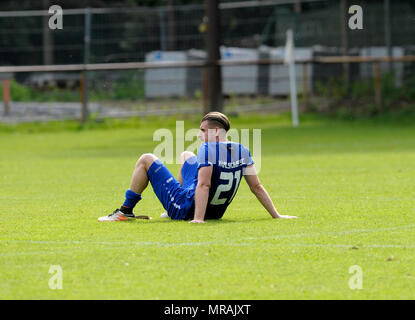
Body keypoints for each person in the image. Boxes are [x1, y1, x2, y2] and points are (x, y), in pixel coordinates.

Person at [98, 112, 297, 223]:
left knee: (146, 159)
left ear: (216, 131)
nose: (200, 135)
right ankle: (170, 208)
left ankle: (125, 211)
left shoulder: (207, 149)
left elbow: (204, 185)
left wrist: (198, 219)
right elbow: (257, 187)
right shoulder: (242, 149)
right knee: (187, 156)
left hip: (189, 210)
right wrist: (276, 216)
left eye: (203, 130)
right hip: (216, 212)